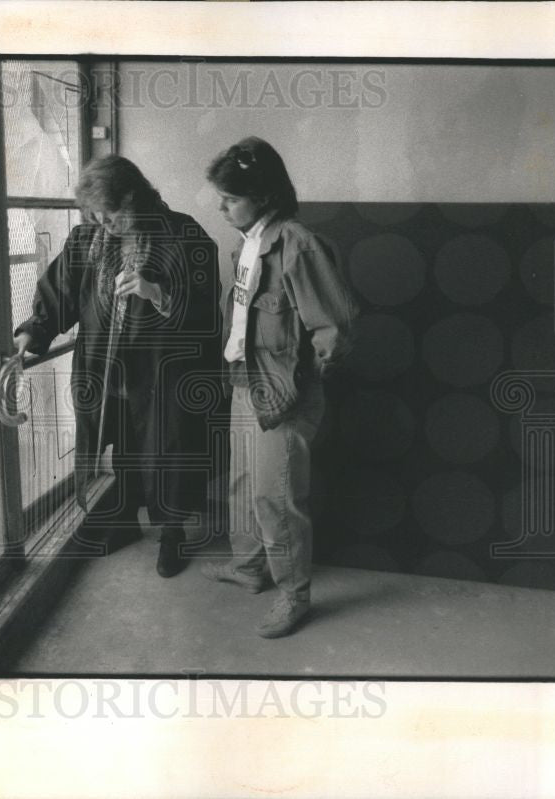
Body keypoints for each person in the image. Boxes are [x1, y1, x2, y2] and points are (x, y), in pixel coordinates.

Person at [14, 155, 222, 578]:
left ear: (134, 197)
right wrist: (31, 334)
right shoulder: (87, 239)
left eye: (111, 216)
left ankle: (171, 534)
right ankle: (125, 520)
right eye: (97, 217)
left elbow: (204, 310)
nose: (104, 226)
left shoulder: (184, 236)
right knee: (124, 447)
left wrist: (156, 292)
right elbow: (61, 293)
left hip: (164, 371)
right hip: (107, 368)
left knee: (168, 451)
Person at [202, 137, 357, 637]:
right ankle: (249, 568)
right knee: (244, 483)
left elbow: (334, 328)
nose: (220, 205)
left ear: (264, 196)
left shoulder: (297, 244)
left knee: (277, 497)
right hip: (246, 381)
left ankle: (294, 594)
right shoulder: (248, 241)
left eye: (230, 197)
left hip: (282, 393)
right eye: (221, 195)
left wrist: (301, 384)